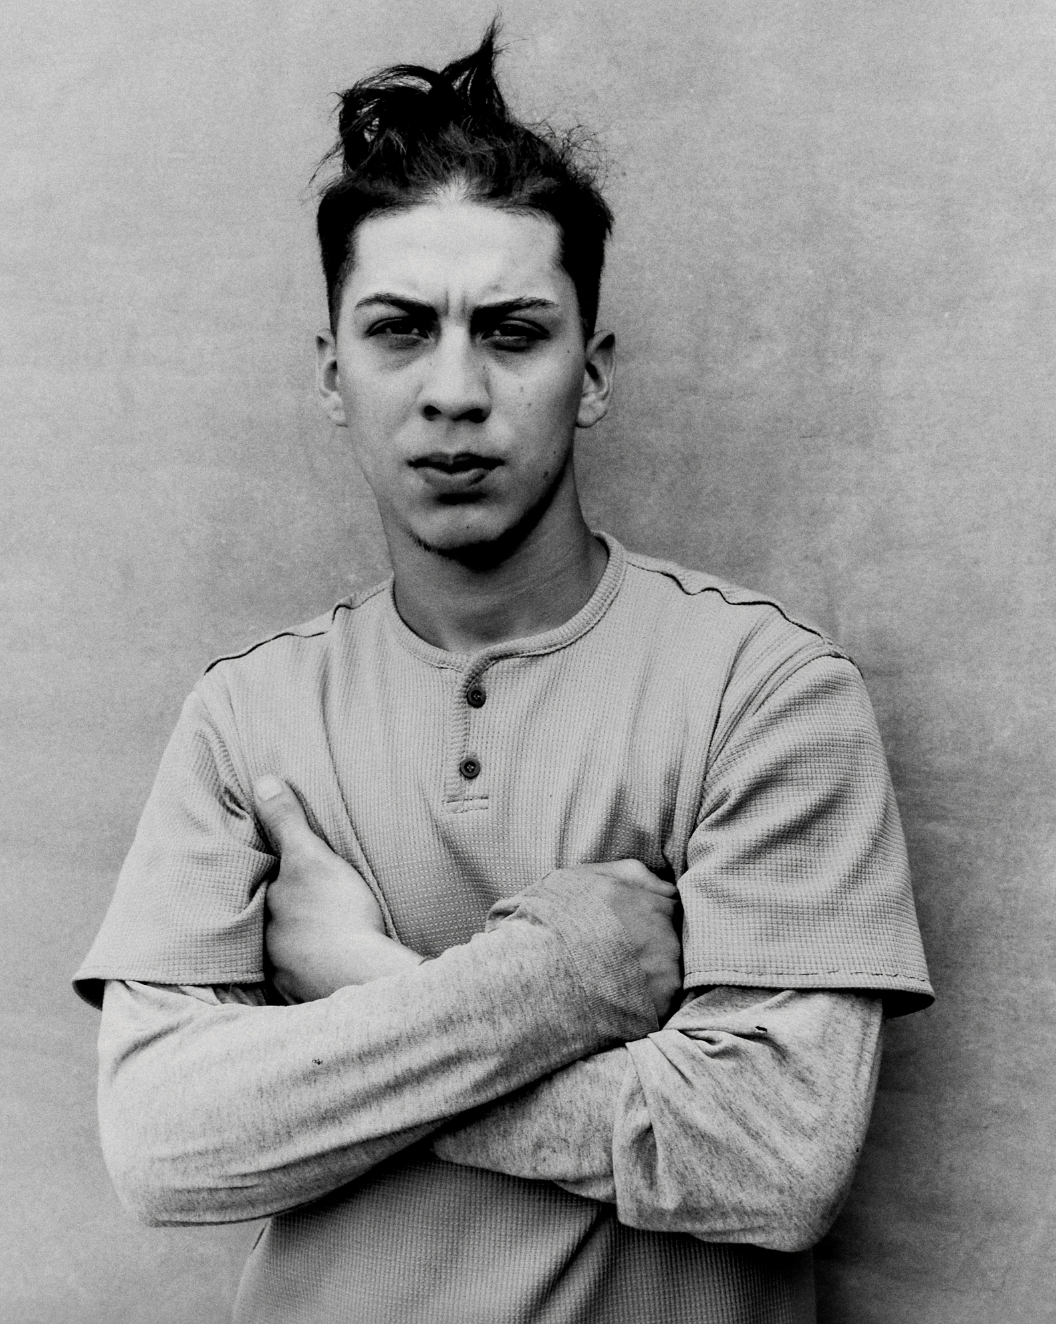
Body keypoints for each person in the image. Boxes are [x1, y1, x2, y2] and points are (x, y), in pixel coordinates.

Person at [76, 26, 933, 1324]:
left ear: (590, 373)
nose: (456, 391)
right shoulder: (244, 718)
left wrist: (353, 994)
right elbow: (162, 1143)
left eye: (513, 332)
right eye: (401, 332)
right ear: (332, 376)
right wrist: (561, 980)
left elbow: (773, 1161)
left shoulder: (766, 692)